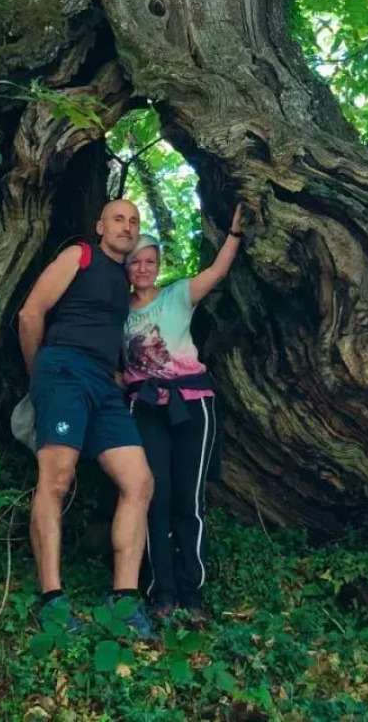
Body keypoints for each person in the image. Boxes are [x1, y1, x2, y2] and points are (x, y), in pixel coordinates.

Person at [17, 198, 155, 639]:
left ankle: (125, 601)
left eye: (134, 221)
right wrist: (40, 374)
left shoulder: (125, 279)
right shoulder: (81, 255)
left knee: (139, 482)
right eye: (118, 218)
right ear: (100, 224)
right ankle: (52, 600)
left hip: (104, 385)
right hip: (64, 371)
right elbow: (30, 313)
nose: (127, 226)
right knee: (56, 480)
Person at [122, 206, 244, 618]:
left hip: (192, 404)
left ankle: (192, 594)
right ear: (126, 266)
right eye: (135, 261)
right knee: (155, 497)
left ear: (158, 264)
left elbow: (217, 272)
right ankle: (162, 592)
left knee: (189, 501)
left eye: (149, 260)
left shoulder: (177, 294)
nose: (142, 267)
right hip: (147, 408)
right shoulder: (117, 311)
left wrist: (235, 233)